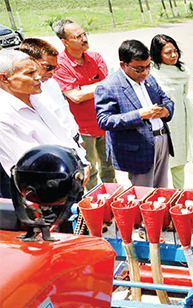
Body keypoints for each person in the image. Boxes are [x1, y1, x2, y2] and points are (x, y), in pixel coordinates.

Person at [0, 50, 90, 193]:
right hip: (45, 191)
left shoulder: (39, 97)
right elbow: (34, 163)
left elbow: (64, 133)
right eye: (30, 74)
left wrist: (81, 160)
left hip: (71, 178)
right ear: (5, 79)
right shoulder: (3, 117)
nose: (38, 77)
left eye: (36, 71)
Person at [95, 40, 174, 188]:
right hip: (139, 149)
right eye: (139, 69)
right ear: (123, 65)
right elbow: (105, 120)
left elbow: (166, 99)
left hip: (161, 141)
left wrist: (166, 110)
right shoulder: (109, 86)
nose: (145, 72)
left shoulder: (148, 78)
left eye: (147, 67)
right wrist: (139, 115)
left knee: (162, 190)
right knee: (144, 195)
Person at [150, 34, 193, 189]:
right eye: (168, 53)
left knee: (179, 161)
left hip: (179, 119)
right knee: (161, 163)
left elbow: (183, 94)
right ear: (157, 54)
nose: (173, 55)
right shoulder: (152, 72)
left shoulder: (183, 71)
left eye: (175, 50)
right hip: (159, 121)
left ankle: (178, 193)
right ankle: (162, 196)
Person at [53, 20, 115, 189]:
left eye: (84, 34)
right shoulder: (60, 64)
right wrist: (102, 84)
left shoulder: (95, 58)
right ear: (64, 41)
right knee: (90, 171)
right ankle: (96, 204)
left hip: (105, 123)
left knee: (109, 168)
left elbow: (110, 86)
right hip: (83, 130)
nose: (84, 38)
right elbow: (76, 96)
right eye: (78, 36)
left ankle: (113, 201)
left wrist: (86, 88)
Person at [19, 38, 81, 146]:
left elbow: (65, 112)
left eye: (55, 67)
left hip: (74, 140)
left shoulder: (52, 83)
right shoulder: (29, 92)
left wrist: (78, 138)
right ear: (30, 62)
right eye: (48, 67)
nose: (52, 72)